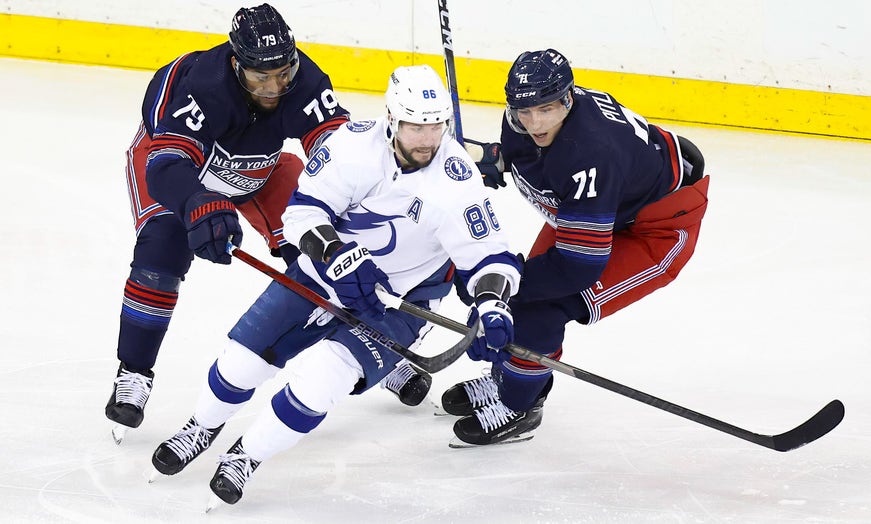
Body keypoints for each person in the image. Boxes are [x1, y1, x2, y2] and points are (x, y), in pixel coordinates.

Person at [148, 64, 522, 506]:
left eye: (436, 125)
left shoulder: (458, 180)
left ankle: (246, 456)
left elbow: (488, 255)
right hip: (323, 274)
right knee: (240, 361)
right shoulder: (351, 145)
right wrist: (336, 254)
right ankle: (202, 425)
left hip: (400, 300)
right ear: (391, 120)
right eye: (414, 126)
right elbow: (303, 214)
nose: (426, 139)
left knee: (322, 380)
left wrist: (493, 302)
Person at [104, 4, 435, 439]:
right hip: (179, 169)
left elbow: (338, 153)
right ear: (236, 63)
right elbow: (166, 164)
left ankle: (365, 343)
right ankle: (134, 371)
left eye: (283, 72)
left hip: (260, 169)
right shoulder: (203, 85)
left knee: (328, 249)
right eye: (261, 77)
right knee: (162, 251)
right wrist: (197, 200)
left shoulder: (306, 81)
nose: (275, 87)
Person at [442, 48, 710, 446]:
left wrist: (494, 290)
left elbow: (577, 267)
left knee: (546, 303)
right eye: (524, 111)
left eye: (546, 110)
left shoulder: (590, 154)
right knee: (521, 295)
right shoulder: (526, 116)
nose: (534, 122)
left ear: (568, 98)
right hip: (603, 207)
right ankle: (516, 375)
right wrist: (485, 159)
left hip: (656, 230)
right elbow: (524, 157)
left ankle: (519, 403)